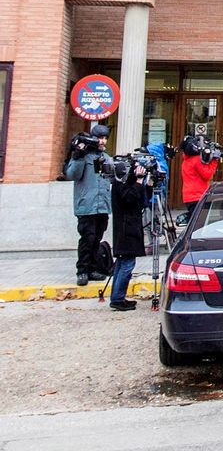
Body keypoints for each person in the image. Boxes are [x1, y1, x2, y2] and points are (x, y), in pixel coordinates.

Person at [65, 124, 113, 286]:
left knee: (97, 237)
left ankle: (93, 268)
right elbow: (72, 175)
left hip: (102, 205)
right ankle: (82, 270)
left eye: (105, 138)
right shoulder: (83, 156)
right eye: (100, 137)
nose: (103, 141)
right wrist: (78, 156)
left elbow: (111, 178)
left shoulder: (106, 157)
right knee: (87, 238)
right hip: (87, 205)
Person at [108, 161, 151, 311]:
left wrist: (148, 184)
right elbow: (130, 198)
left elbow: (141, 201)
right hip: (126, 231)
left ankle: (117, 297)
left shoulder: (125, 184)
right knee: (126, 264)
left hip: (129, 229)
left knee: (122, 264)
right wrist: (139, 181)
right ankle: (118, 299)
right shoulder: (120, 185)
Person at [180, 135, 220, 223]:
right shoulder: (196, 160)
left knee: (194, 222)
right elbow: (207, 175)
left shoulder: (186, 161)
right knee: (200, 223)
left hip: (189, 196)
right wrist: (214, 161)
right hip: (198, 195)